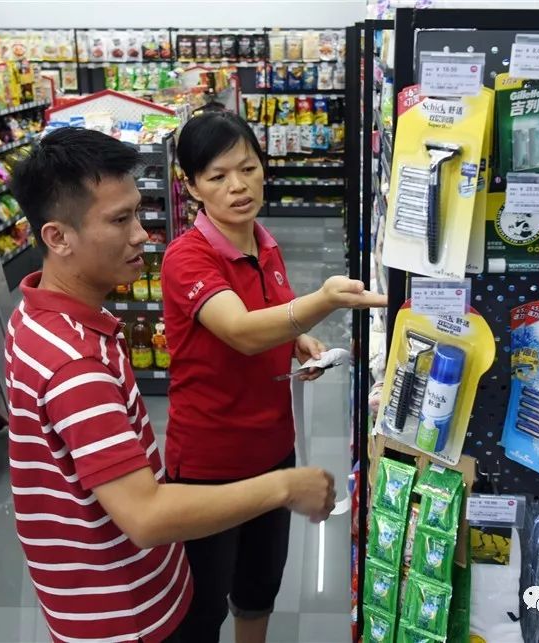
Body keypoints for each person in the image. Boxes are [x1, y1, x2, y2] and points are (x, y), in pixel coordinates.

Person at [5, 127, 337, 643]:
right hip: (126, 615)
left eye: (137, 213)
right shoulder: (76, 364)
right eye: (120, 220)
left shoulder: (37, 319)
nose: (142, 234)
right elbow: (145, 515)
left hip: (115, 591)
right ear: (58, 237)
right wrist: (286, 487)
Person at [161, 111, 388, 643]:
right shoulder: (186, 258)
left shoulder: (263, 243)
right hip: (210, 465)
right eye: (217, 176)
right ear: (191, 186)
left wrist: (293, 341)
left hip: (273, 450)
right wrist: (323, 301)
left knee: (258, 591)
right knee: (200, 612)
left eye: (248, 168)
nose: (238, 186)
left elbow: (266, 317)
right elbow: (240, 330)